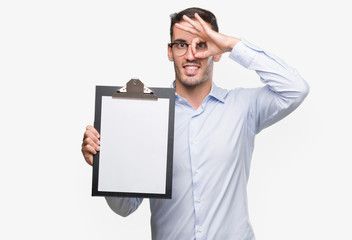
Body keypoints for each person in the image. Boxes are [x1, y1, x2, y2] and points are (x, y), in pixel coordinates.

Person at [81, 7, 309, 240]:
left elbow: (295, 89)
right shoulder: (146, 118)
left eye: (202, 44)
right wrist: (105, 164)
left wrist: (231, 45)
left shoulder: (243, 107)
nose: (191, 55)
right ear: (170, 52)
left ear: (217, 51)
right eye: (181, 45)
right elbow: (125, 207)